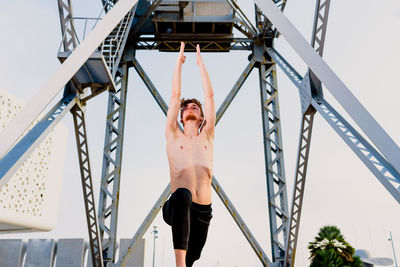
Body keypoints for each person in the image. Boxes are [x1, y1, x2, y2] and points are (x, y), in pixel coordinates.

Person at [162, 41, 215, 267]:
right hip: (176, 205)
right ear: (181, 117)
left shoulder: (208, 135)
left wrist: (201, 65)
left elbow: (210, 96)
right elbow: (175, 95)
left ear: (202, 117)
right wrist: (179, 63)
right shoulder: (174, 134)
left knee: (193, 257)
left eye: (195, 107)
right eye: (186, 108)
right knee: (183, 194)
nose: (190, 108)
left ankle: (186, 263)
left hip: (202, 212)